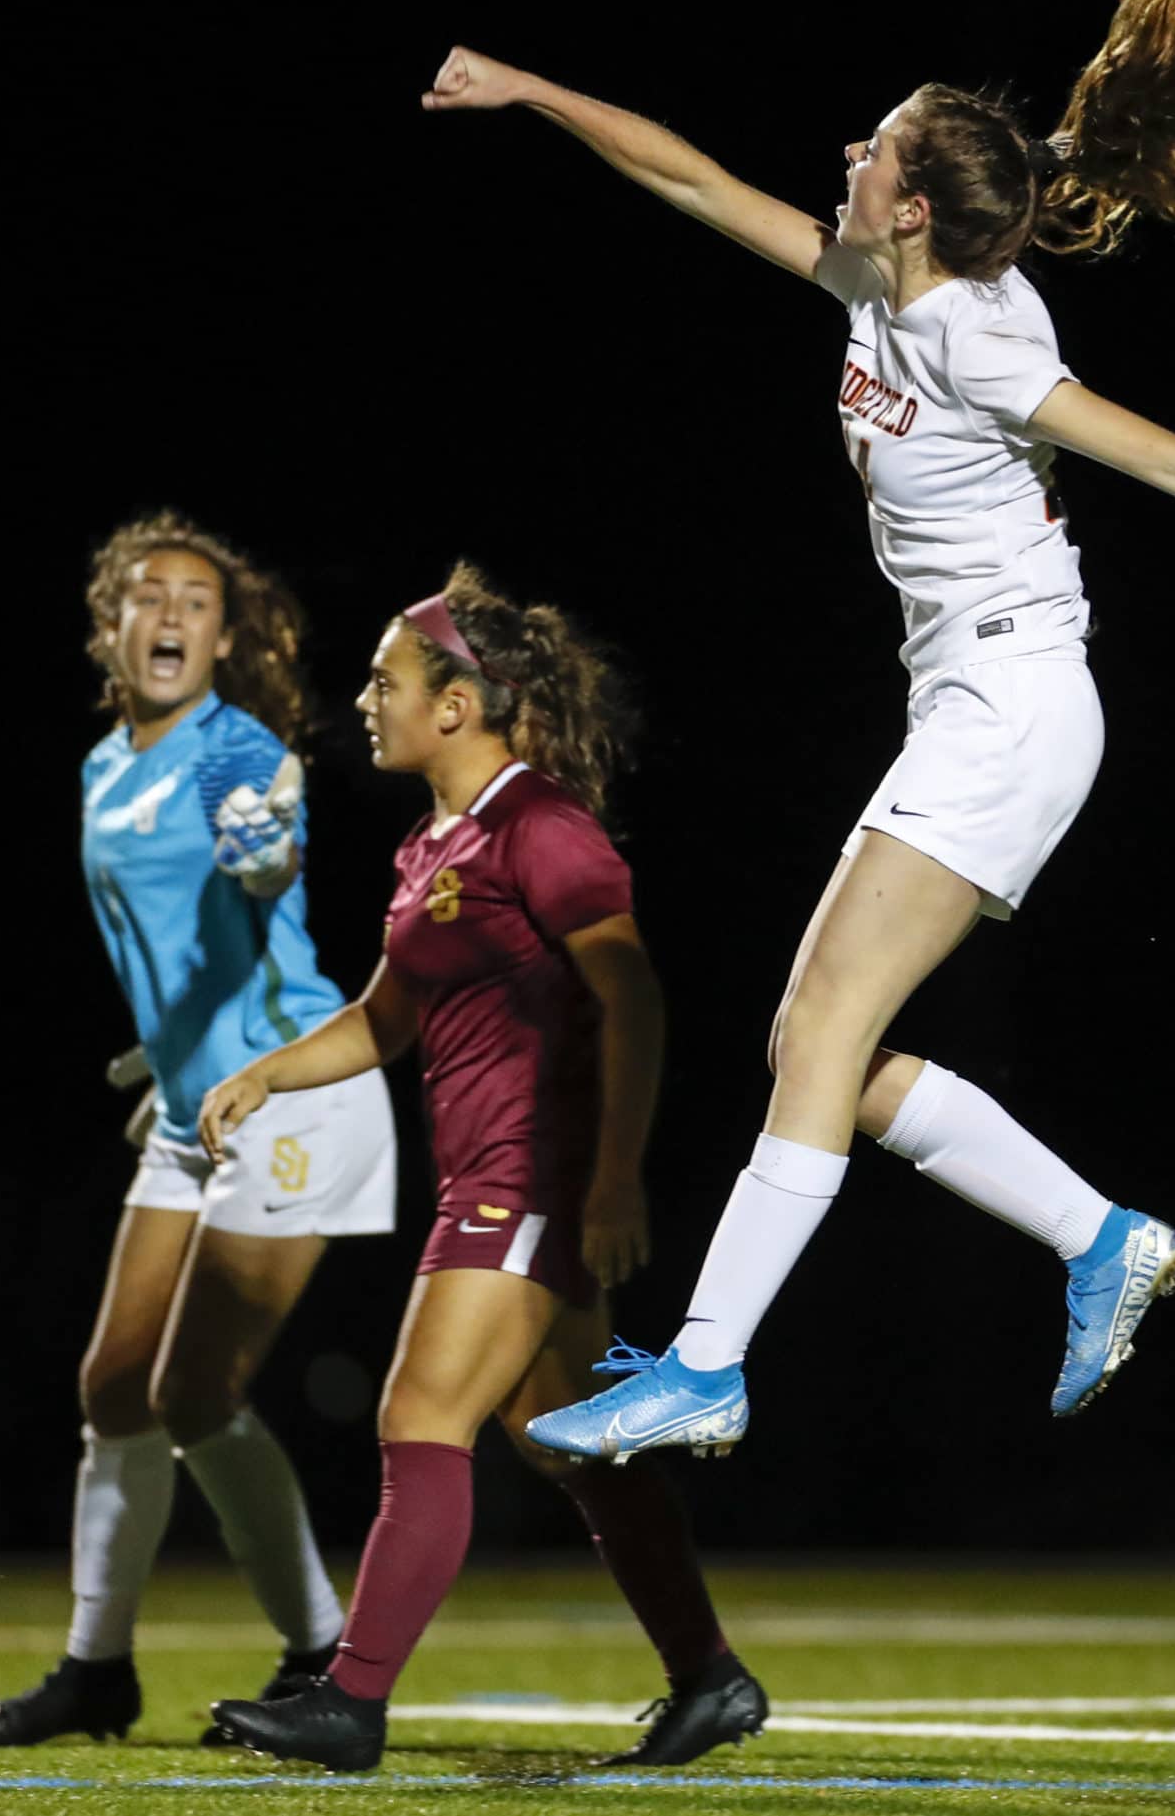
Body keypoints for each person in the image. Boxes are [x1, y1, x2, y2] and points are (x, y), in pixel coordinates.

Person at [418, 0, 1175, 1465]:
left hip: (1015, 704)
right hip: (970, 703)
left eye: (874, 147)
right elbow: (695, 183)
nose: (848, 152)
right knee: (828, 1059)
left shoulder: (974, 334)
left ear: (916, 205)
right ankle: (1100, 1237)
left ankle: (708, 1366)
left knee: (818, 1027)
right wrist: (531, 90)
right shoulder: (871, 281)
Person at [198, 568, 761, 1773]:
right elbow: (382, 1020)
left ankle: (350, 1701)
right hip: (491, 1180)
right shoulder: (430, 844)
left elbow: (633, 998)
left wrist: (615, 1178)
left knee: (420, 1414)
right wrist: (264, 1075)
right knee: (564, 1442)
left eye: (383, 681)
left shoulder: (539, 825)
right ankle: (708, 1675)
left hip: (533, 1176)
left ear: (455, 705)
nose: (364, 700)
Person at [0, 513, 397, 1747]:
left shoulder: (229, 748)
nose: (171, 615)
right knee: (113, 1387)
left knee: (193, 1391)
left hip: (292, 1093)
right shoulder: (105, 764)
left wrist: (264, 854)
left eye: (196, 601)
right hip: (194, 1106)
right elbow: (161, 945)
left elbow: (262, 858)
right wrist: (168, 1055)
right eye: (148, 595)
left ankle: (320, 1652)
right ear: (109, 626)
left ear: (221, 637)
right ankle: (96, 1671)